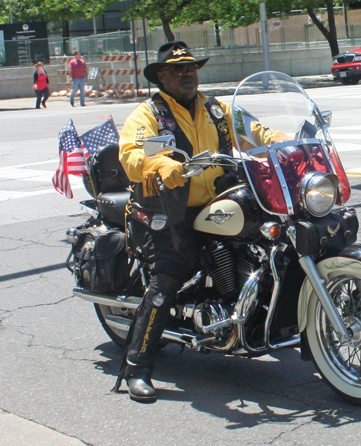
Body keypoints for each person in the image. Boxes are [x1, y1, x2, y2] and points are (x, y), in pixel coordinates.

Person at [116, 41, 286, 403]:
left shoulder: (217, 109)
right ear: (161, 76)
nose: (188, 74)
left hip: (219, 200)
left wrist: (284, 141)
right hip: (171, 210)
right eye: (178, 69)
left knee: (272, 240)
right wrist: (160, 164)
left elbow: (256, 130)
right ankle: (137, 367)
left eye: (192, 67)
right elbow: (133, 154)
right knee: (167, 280)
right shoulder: (149, 115)